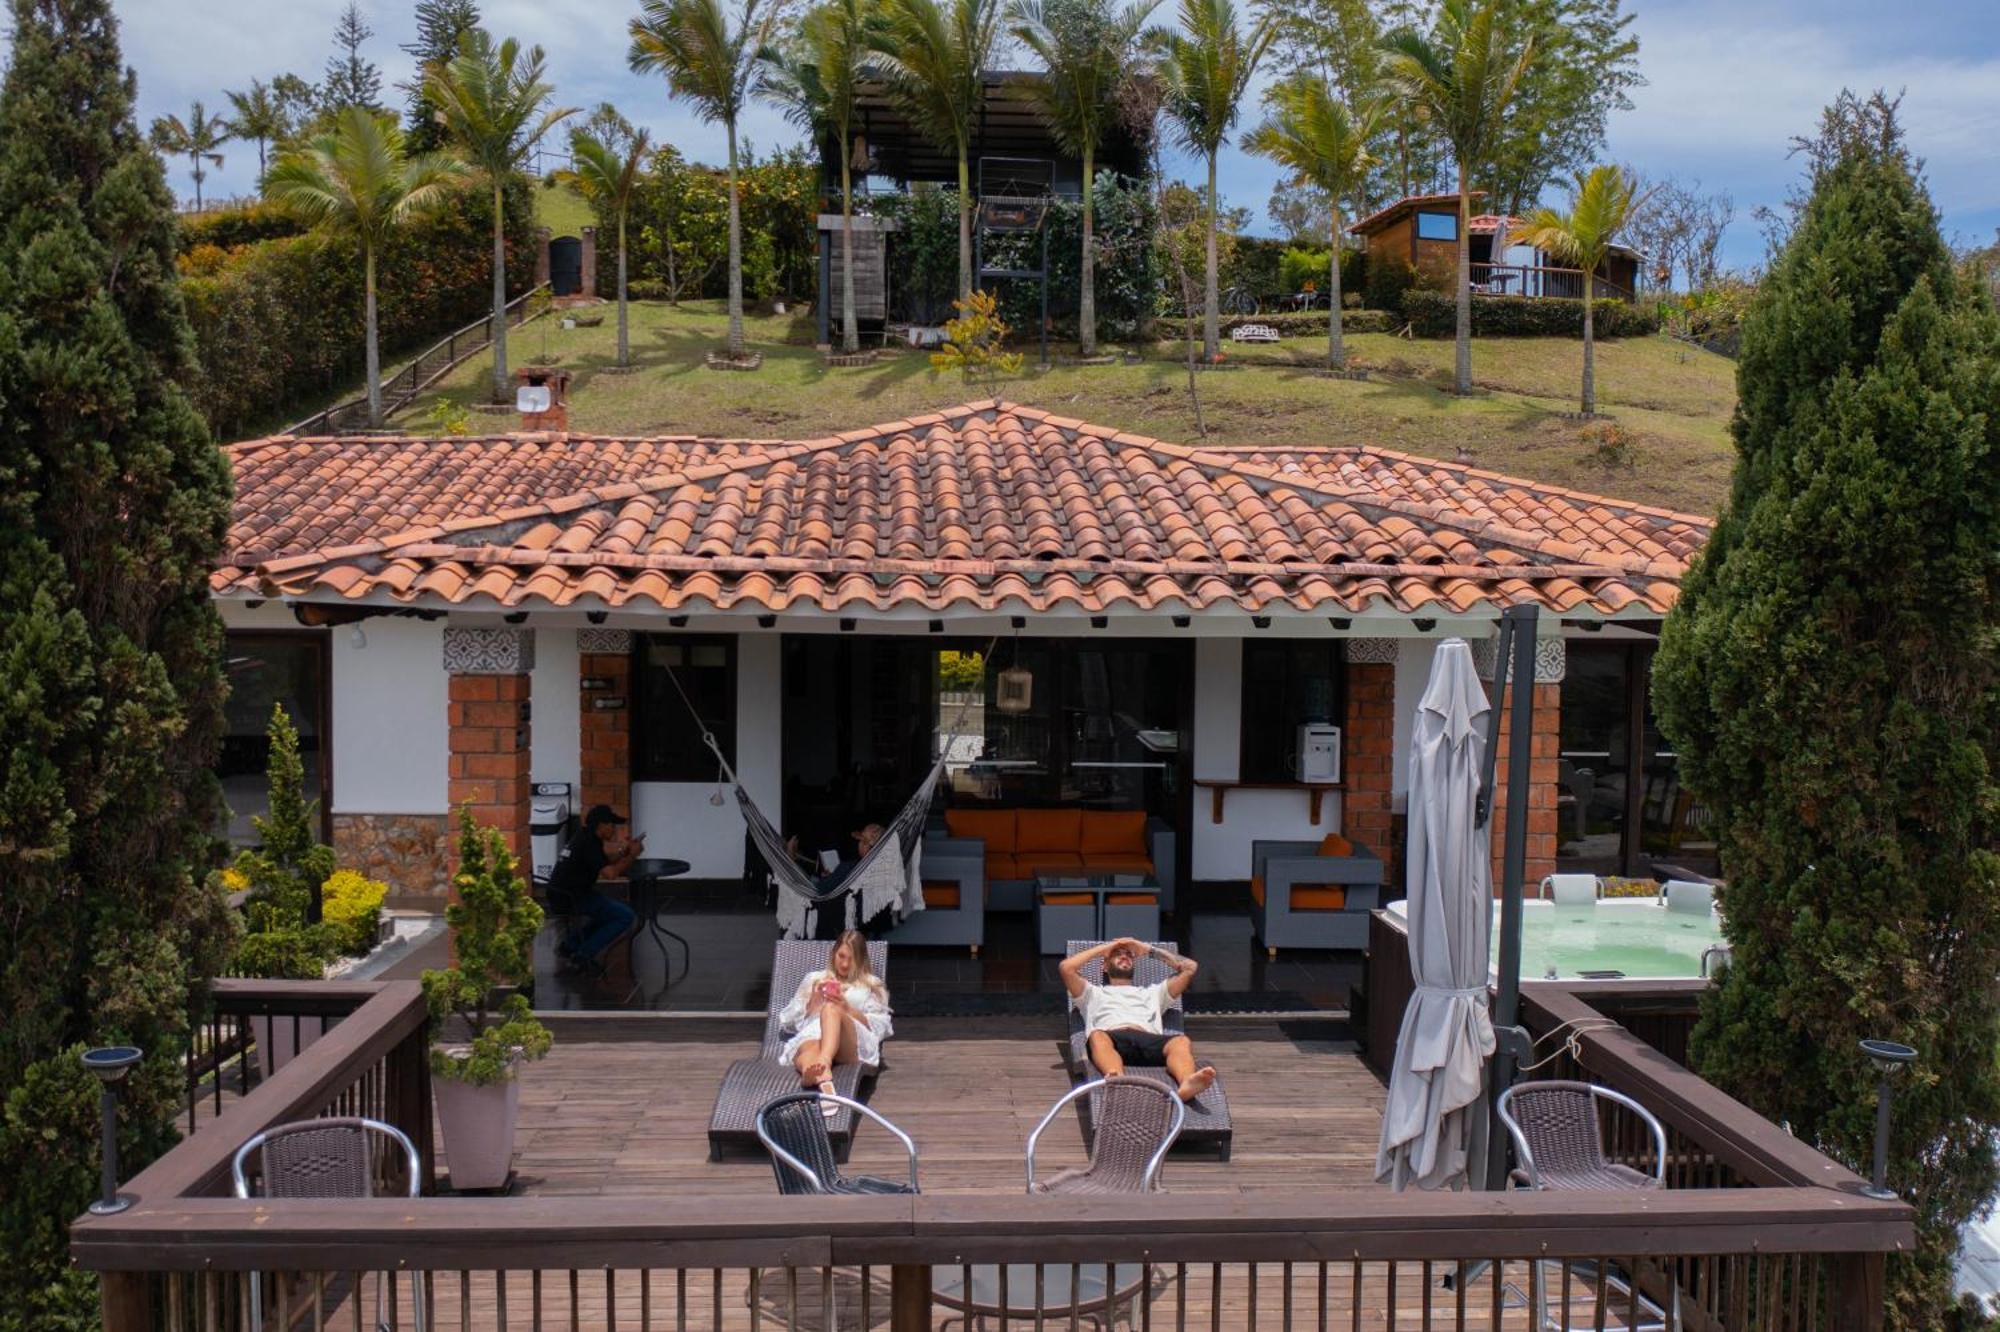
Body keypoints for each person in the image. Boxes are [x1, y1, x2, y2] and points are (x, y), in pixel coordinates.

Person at [1061, 937, 1216, 1102]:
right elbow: (1066, 968)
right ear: (1104, 966)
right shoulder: (1091, 993)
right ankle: (1117, 1079)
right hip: (1111, 1039)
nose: (1124, 956)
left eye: (1128, 954)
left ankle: (1187, 1083)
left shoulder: (1154, 993)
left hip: (1147, 1040)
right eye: (1117, 954)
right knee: (1096, 1035)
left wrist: (1149, 950)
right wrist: (1105, 948)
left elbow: (1190, 968)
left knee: (1180, 1041)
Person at [777, 929, 894, 1115]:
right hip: (816, 1035)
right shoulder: (814, 979)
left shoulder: (871, 985)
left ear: (861, 959)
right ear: (833, 953)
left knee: (831, 1009)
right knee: (808, 1047)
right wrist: (812, 1003)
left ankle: (823, 1061)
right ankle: (820, 1079)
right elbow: (788, 1022)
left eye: (851, 958)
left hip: (851, 1042)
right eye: (841, 956)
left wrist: (846, 1008)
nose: (845, 964)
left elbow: (882, 1027)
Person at [545, 804, 644, 976]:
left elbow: (603, 860)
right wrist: (633, 855)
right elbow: (610, 874)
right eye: (611, 825)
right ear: (601, 825)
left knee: (608, 914)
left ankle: (570, 945)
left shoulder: (586, 837)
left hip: (563, 893)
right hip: (572, 898)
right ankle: (582, 955)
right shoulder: (589, 843)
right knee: (624, 916)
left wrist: (624, 852)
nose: (614, 829)